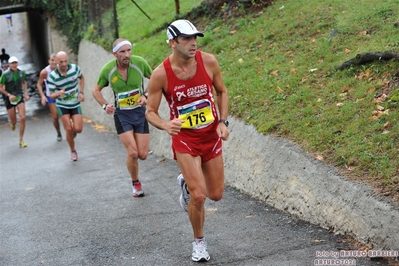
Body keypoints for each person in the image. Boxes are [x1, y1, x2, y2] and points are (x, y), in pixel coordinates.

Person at [145, 19, 229, 262]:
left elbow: (222, 91)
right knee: (199, 196)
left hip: (210, 135)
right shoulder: (161, 74)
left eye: (195, 38)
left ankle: (185, 184)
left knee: (215, 195)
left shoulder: (209, 61)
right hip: (185, 139)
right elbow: (150, 111)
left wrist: (223, 122)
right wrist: (165, 124)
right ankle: (199, 242)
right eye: (186, 39)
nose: (193, 43)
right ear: (172, 43)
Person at [92, 38, 152, 198]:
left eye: (129, 50)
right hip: (122, 115)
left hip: (140, 113)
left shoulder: (139, 63)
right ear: (114, 54)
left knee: (143, 154)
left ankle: (135, 173)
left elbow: (155, 79)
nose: (127, 55)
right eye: (122, 52)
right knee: (133, 153)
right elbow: (96, 90)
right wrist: (105, 105)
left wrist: (146, 95)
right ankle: (135, 182)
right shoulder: (108, 70)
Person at [47, 51, 85, 161]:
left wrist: (81, 92)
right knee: (68, 129)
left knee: (78, 129)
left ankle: (73, 130)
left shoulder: (75, 69)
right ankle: (73, 151)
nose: (63, 64)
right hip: (62, 104)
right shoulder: (53, 76)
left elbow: (82, 78)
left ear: (67, 59)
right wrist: (59, 93)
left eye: (65, 61)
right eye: (61, 62)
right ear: (56, 62)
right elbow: (52, 95)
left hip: (75, 103)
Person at [0, 56, 29, 147]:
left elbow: (24, 82)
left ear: (18, 63)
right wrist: (9, 95)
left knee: (23, 117)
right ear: (9, 65)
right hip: (9, 98)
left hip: (19, 96)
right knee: (14, 121)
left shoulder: (22, 73)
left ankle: (21, 139)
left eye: (15, 62)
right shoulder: (5, 75)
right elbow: (0, 87)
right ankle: (12, 123)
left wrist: (26, 93)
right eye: (12, 63)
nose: (14, 65)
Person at [37, 53, 62, 141]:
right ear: (49, 61)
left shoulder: (61, 69)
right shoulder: (45, 72)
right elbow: (39, 85)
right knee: (55, 116)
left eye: (55, 60)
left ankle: (70, 129)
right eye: (52, 60)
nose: (54, 62)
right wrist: (43, 96)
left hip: (61, 95)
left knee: (66, 113)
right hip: (51, 96)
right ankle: (58, 132)